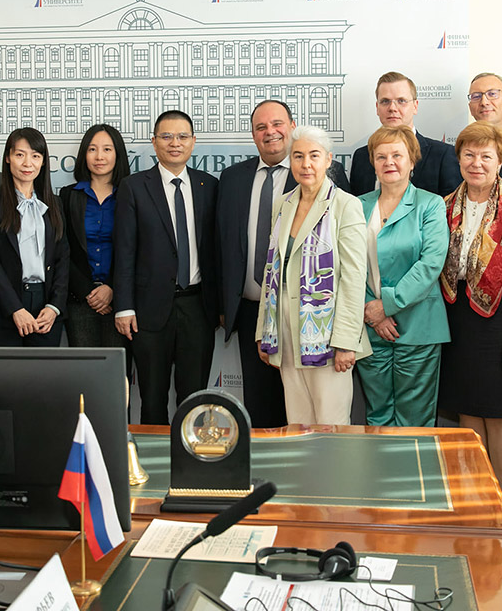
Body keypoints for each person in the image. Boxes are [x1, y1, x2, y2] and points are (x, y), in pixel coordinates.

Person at [218, 100, 349, 428]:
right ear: (252, 135)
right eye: (261, 127)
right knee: (269, 414)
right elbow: (219, 245)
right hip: (260, 315)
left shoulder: (329, 187)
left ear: (291, 127)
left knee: (323, 418)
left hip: (317, 321)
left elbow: (348, 269)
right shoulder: (233, 179)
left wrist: (346, 338)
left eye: (277, 124)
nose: (270, 132)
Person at [437, 121, 502, 520]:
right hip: (459, 318)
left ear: (500, 160)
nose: (476, 163)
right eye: (468, 154)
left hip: (501, 320)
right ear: (459, 158)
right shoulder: (446, 204)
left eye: (486, 156)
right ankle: (476, 496)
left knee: (500, 414)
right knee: (468, 413)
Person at [256, 125, 369, 425]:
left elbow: (354, 279)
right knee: (298, 422)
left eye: (314, 156)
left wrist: (346, 342)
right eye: (298, 156)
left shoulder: (346, 205)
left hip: (328, 336)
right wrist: (263, 331)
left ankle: (334, 475)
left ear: (329, 159)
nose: (306, 164)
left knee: (331, 424)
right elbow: (272, 271)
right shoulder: (283, 204)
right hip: (286, 332)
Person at [114, 110, 219, 424]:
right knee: (153, 398)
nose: (175, 143)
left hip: (198, 307)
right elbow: (125, 250)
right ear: (154, 142)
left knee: (195, 397)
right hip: (148, 311)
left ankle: (192, 467)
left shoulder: (208, 185)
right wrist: (124, 307)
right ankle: (153, 466)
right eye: (167, 136)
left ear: (193, 142)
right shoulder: (133, 186)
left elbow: (217, 251)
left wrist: (221, 305)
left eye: (183, 136)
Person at [357, 126, 449, 427]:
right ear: (373, 162)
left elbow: (430, 264)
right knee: (378, 415)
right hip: (370, 326)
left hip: (418, 326)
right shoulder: (357, 206)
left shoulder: (430, 204)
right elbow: (348, 264)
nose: (389, 162)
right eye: (381, 156)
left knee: (415, 420)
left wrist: (387, 304)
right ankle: (378, 475)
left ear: (412, 160)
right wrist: (373, 312)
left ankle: (413, 475)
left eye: (397, 154)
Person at [0, 127, 69, 347]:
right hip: (2, 308)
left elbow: (63, 258)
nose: (28, 163)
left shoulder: (54, 204)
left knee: (42, 379)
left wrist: (54, 307)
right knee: (5, 379)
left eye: (35, 156)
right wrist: (14, 308)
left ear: (44, 161)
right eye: (20, 155)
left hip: (46, 308)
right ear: (7, 158)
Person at [59, 124, 130, 360]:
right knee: (85, 374)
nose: (99, 156)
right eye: (92, 149)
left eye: (107, 149)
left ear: (117, 154)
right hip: (80, 299)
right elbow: (62, 248)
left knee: (117, 378)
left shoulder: (131, 195)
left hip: (120, 299)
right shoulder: (68, 196)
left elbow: (135, 248)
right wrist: (89, 291)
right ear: (83, 155)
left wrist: (111, 287)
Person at [349, 72, 460, 197]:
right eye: (385, 101)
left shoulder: (442, 155)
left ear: (415, 106)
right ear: (377, 107)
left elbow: (451, 210)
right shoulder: (362, 156)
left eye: (401, 101)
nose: (392, 108)